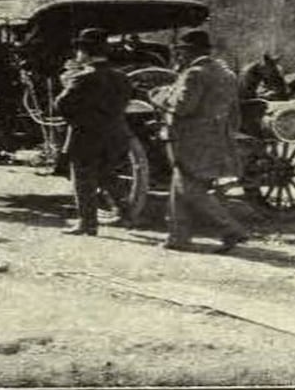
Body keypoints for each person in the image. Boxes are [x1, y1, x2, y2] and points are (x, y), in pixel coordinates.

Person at [149, 29, 250, 254]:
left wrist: (160, 95)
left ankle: (232, 229)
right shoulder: (227, 74)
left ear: (189, 52)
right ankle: (178, 237)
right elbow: (235, 112)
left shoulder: (194, 74)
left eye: (181, 52)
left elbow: (183, 107)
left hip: (189, 140)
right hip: (216, 138)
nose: (179, 57)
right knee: (181, 185)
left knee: (190, 188)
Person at [53, 28, 133, 236]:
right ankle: (127, 213)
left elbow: (61, 105)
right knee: (108, 175)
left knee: (83, 179)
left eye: (79, 51)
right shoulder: (121, 77)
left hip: (86, 136)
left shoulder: (82, 77)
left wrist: (77, 120)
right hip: (116, 134)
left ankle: (87, 223)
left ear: (85, 53)